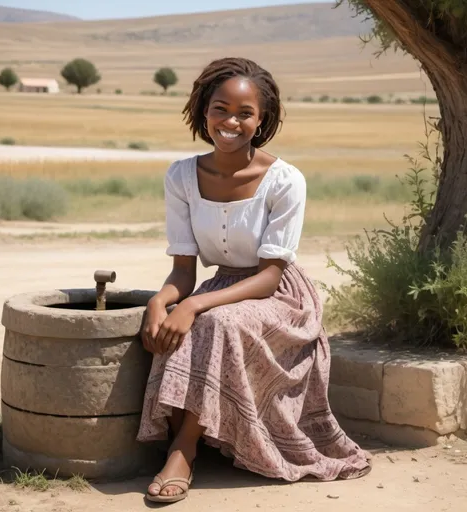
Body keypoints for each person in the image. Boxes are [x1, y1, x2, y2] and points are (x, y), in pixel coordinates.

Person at [137, 57, 371, 504]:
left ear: (262, 120)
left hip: (279, 296)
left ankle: (183, 452)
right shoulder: (181, 176)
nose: (231, 121)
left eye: (245, 113)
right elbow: (184, 272)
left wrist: (193, 305)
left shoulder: (284, 180)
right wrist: (161, 301)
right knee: (180, 321)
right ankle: (196, 435)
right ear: (203, 110)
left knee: (214, 322)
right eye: (220, 109)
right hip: (222, 287)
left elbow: (269, 277)